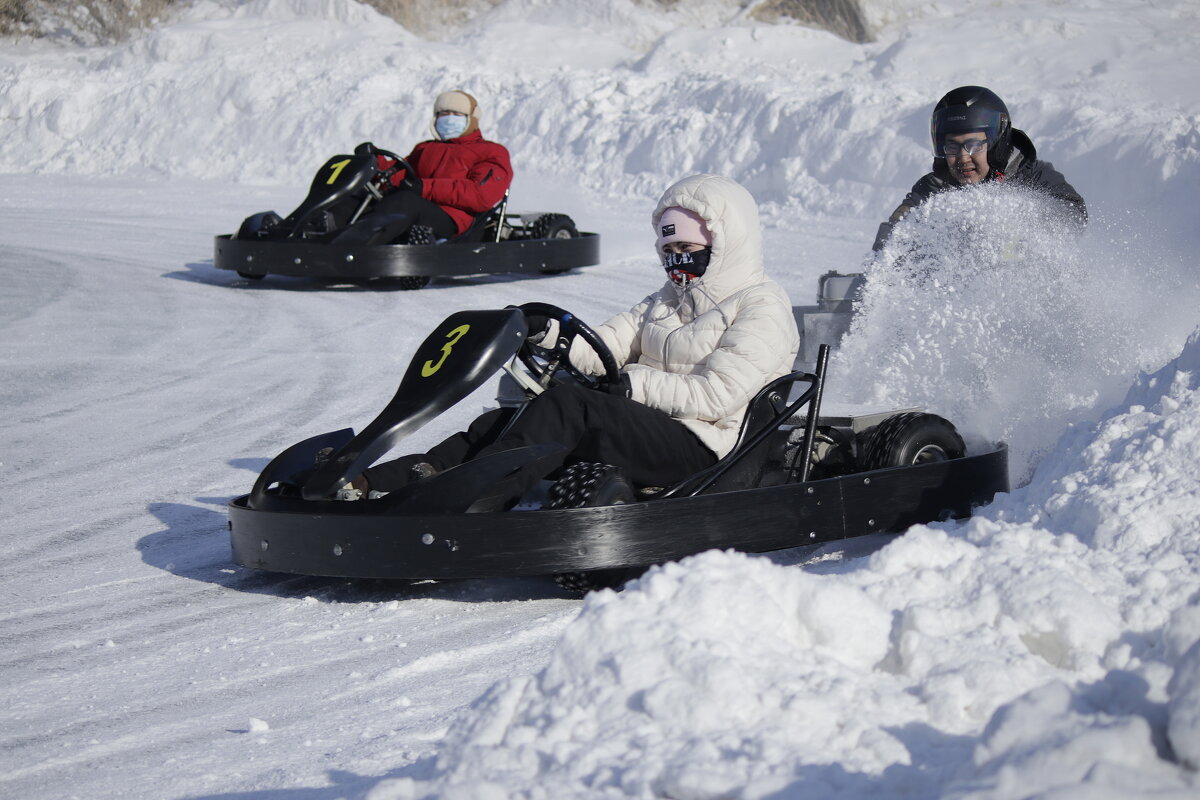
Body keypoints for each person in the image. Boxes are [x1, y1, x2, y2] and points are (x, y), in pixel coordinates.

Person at [349, 174, 800, 505]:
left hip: (710, 448)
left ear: (725, 246)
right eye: (668, 252)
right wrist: (546, 332)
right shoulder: (663, 302)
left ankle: (470, 502)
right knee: (518, 414)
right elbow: (601, 346)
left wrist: (630, 385)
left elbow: (717, 395)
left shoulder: (761, 306)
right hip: (654, 427)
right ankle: (399, 480)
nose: (677, 262)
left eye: (688, 251)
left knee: (571, 406)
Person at [872, 85, 1087, 252]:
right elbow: (893, 241)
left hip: (1032, 286)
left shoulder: (1031, 176)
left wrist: (1015, 217)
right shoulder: (934, 188)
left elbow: (1074, 213)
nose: (963, 157)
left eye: (974, 145)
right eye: (952, 146)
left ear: (996, 144)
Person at [354, 89, 512, 243]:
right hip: (417, 209)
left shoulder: (491, 152)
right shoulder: (426, 149)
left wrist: (424, 187)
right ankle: (333, 238)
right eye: (444, 114)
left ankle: (355, 248)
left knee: (405, 202)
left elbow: (480, 194)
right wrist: (374, 162)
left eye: (457, 114)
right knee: (356, 197)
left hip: (453, 220)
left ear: (471, 119)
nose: (449, 119)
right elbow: (396, 176)